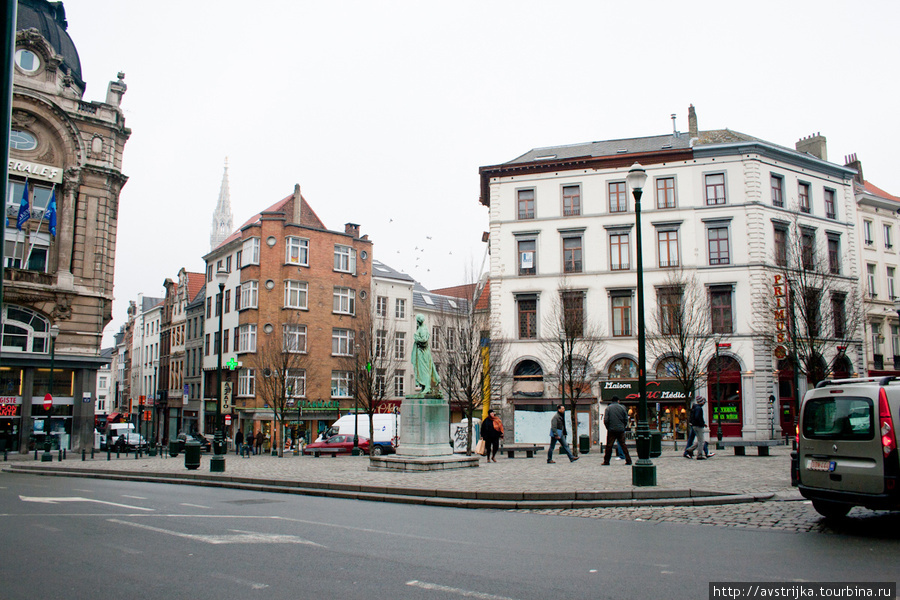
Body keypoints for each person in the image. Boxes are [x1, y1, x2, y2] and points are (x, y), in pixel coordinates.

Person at [412, 314, 441, 394]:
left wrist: (416, 338)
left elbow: (424, 340)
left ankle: (427, 386)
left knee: (424, 369)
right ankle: (424, 386)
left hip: (423, 352)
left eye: (417, 321)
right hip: (422, 352)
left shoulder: (423, 329)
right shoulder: (422, 328)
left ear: (418, 321)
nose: (417, 322)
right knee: (422, 370)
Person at [602, 396, 632, 465]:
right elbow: (626, 419)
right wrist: (623, 426)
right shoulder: (622, 408)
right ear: (618, 401)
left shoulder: (608, 408)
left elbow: (606, 420)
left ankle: (606, 461)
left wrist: (608, 427)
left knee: (609, 446)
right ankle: (628, 460)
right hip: (621, 429)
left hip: (611, 429)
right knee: (623, 445)